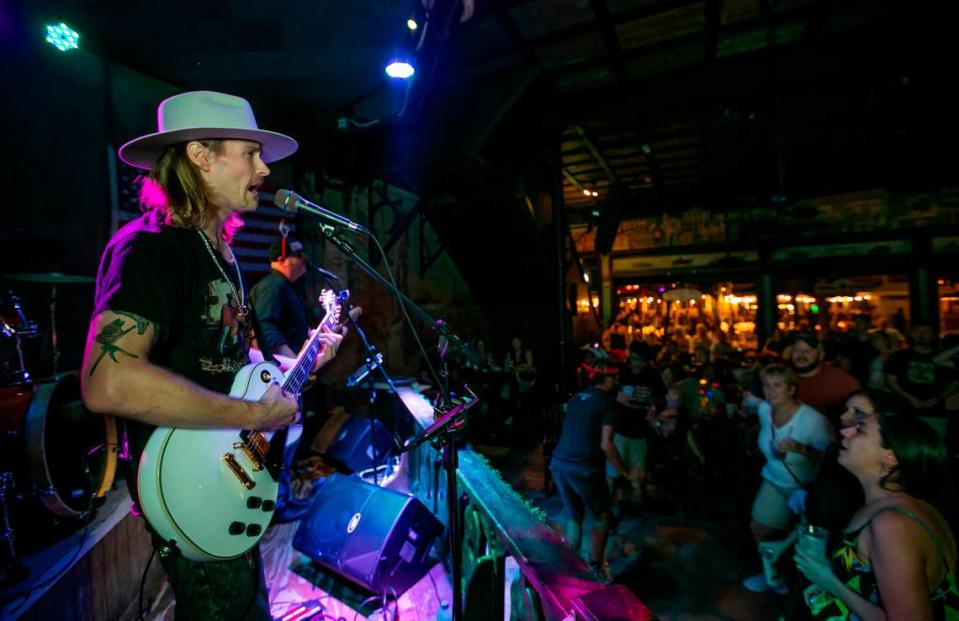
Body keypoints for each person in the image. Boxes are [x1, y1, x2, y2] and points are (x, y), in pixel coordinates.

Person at [80, 90, 342, 620]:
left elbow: (229, 364)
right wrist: (255, 415)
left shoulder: (220, 254)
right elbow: (106, 380)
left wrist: (301, 365)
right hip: (187, 483)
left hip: (228, 470)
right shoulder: (150, 247)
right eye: (249, 153)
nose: (264, 169)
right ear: (201, 156)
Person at [795, 412, 959, 619]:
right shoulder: (913, 506)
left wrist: (830, 582)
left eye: (860, 430)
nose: (845, 431)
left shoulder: (892, 526)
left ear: (890, 458)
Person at [742, 363, 833, 594]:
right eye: (766, 386)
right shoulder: (765, 410)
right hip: (774, 479)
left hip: (804, 486)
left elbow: (832, 459)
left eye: (777, 385)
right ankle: (771, 574)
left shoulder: (813, 421)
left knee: (806, 539)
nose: (770, 391)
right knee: (759, 528)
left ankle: (802, 585)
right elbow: (753, 404)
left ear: (791, 389)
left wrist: (802, 449)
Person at [550, 359, 636, 578]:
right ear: (607, 379)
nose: (617, 382)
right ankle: (596, 568)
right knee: (602, 516)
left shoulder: (577, 397)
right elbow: (606, 444)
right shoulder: (608, 404)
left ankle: (570, 567)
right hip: (584, 469)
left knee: (574, 515)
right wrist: (626, 472)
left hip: (559, 464)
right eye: (615, 378)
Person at [790, 331, 861, 426]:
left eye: (807, 351)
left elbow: (861, 415)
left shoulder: (841, 381)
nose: (801, 355)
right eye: (797, 350)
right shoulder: (783, 378)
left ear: (821, 355)